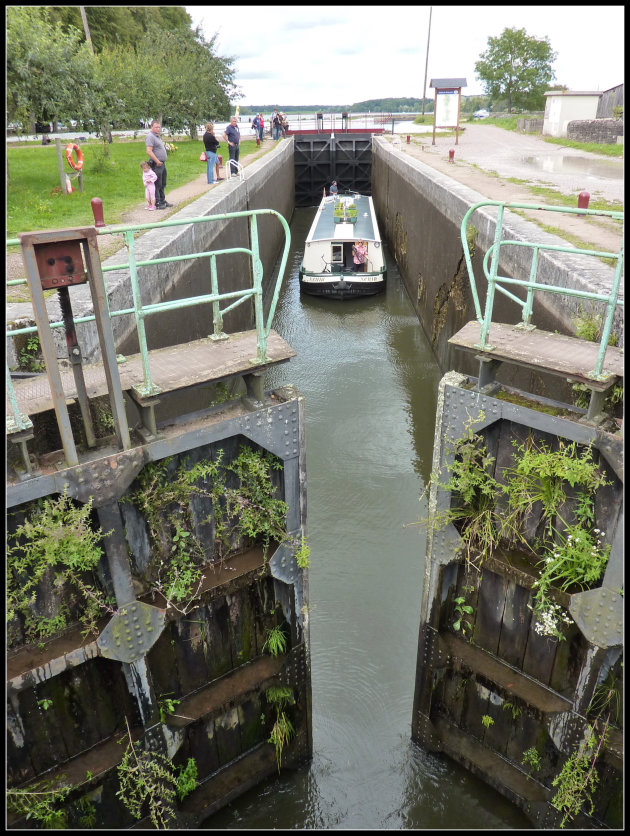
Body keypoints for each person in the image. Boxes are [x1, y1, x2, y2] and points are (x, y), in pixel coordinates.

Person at [145, 120, 173, 209]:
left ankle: (162, 199)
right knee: (157, 183)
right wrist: (157, 161)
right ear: (151, 127)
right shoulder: (150, 136)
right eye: (156, 127)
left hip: (162, 163)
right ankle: (157, 202)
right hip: (156, 163)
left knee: (162, 182)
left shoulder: (157, 136)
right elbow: (149, 151)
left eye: (159, 127)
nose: (158, 129)